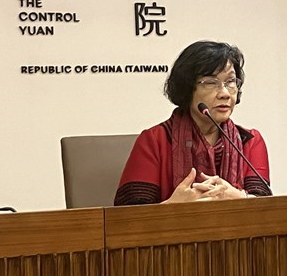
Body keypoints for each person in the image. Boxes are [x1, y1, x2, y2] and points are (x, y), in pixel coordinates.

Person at [114, 40, 271, 205]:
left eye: (231, 82)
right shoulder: (155, 140)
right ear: (187, 88)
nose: (225, 93)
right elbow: (128, 218)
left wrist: (238, 198)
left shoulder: (250, 141)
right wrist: (172, 206)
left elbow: (268, 209)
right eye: (211, 82)